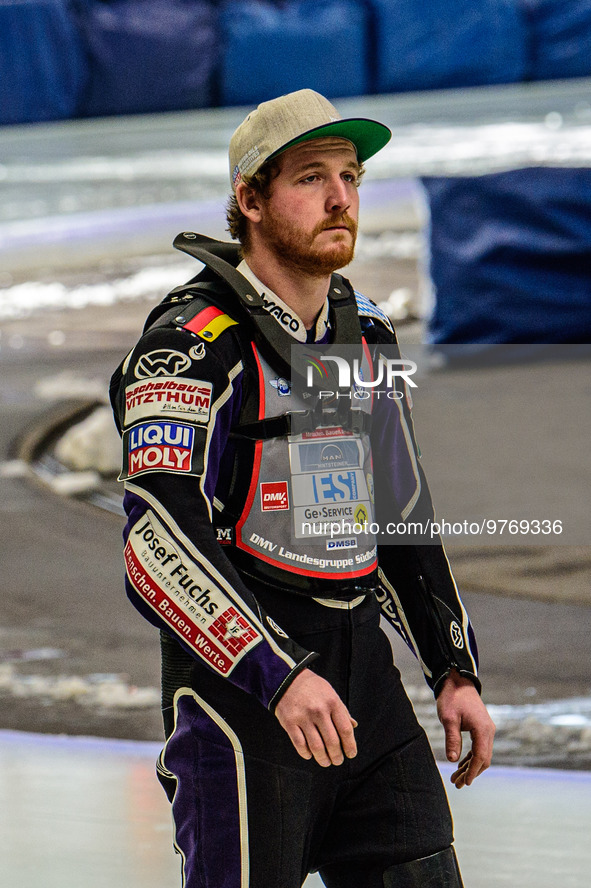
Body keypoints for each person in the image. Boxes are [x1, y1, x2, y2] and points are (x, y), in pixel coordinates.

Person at [110, 89, 495, 888]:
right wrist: (274, 672)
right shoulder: (186, 344)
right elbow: (154, 536)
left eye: (350, 177)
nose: (340, 199)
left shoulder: (366, 333)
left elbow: (398, 509)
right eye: (311, 177)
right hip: (240, 699)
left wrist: (451, 667)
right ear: (250, 200)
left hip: (364, 686)